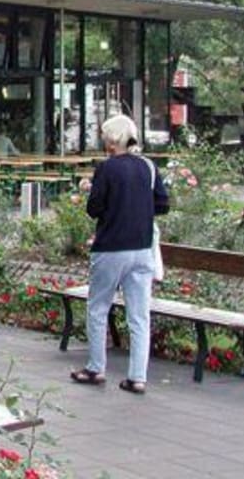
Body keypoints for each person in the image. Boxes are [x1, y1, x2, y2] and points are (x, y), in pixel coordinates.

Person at [71, 114, 169, 394]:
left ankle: (95, 368)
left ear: (113, 140)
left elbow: (94, 208)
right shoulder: (148, 167)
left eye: (105, 137)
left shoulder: (107, 169)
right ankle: (137, 377)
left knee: (98, 308)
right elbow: (162, 205)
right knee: (139, 315)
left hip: (111, 247)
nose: (104, 143)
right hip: (142, 249)